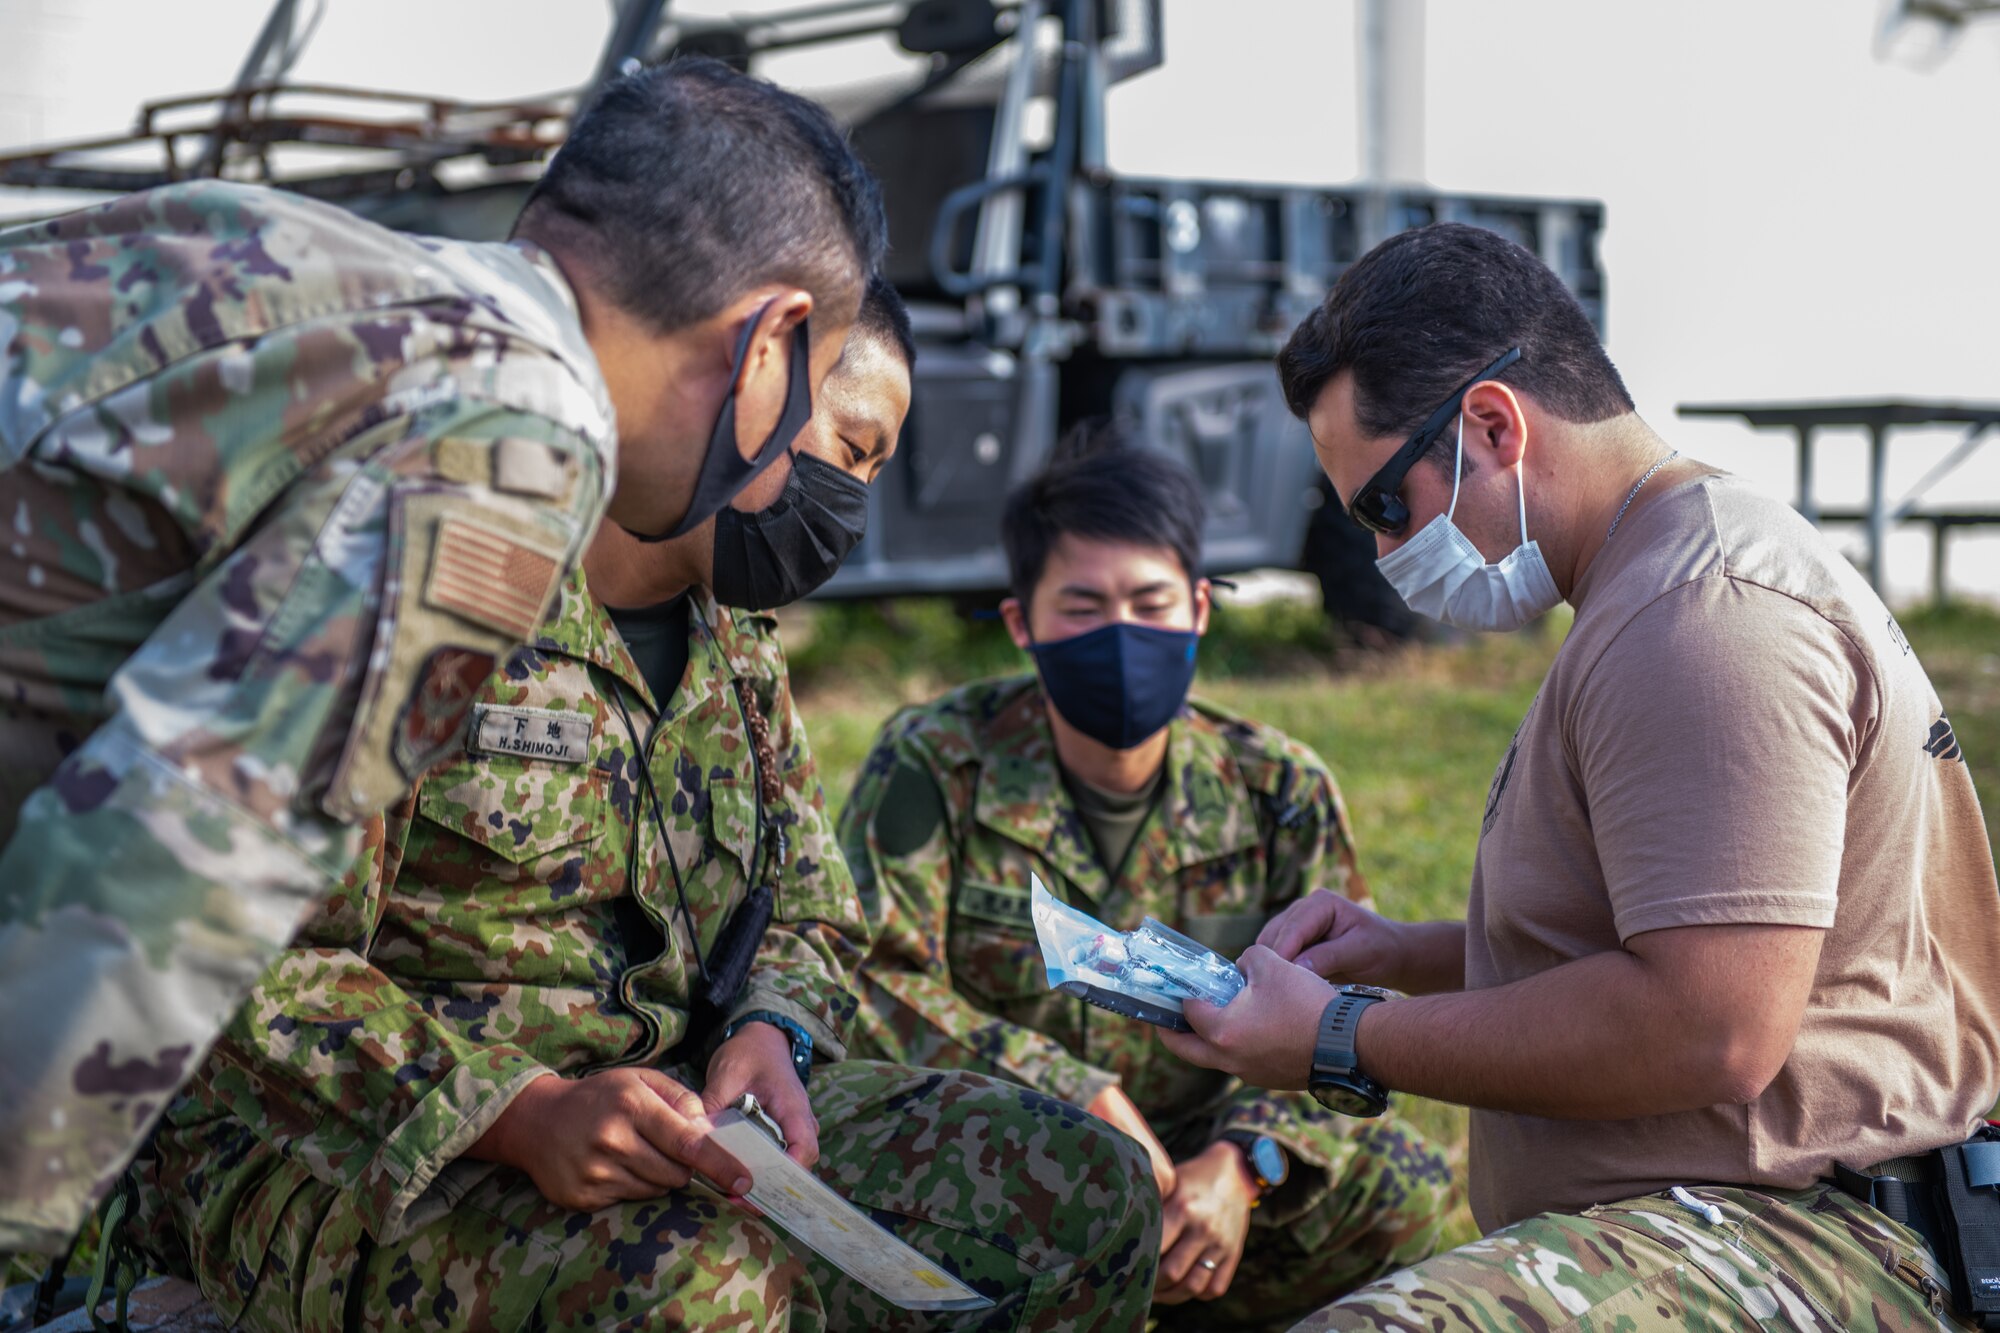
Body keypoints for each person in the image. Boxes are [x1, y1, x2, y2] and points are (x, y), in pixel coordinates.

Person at [126, 279, 1163, 1332]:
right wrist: (515, 1112)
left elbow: (806, 909)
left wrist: (770, 1030)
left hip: (684, 1112)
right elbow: (237, 955)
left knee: (1085, 1190)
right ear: (753, 392)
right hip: (354, 1154)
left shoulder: (735, 640)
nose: (850, 501)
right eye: (850, 450)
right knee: (706, 1283)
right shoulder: (420, 591)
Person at [0, 55, 886, 1260]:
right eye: (808, 416)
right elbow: (178, 863)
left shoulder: (286, 249)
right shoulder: (512, 442)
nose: (784, 477)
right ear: (771, 340)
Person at [1162, 221, 2000, 1330]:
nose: (1378, 555)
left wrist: (1337, 1033)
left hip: (1812, 1232)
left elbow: (1711, 1024)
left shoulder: (1699, 614)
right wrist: (1407, 956)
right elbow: (1682, 938)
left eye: (1382, 507)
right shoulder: (1663, 581)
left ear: (1491, 426)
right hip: (1739, 1216)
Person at [838, 443, 1452, 1332]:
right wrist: (1071, 1093)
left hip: (1209, 1182)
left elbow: (1341, 1003)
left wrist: (1245, 1164)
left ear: (1199, 608)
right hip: (1020, 1164)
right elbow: (875, 977)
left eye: (1150, 603)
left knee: (1402, 1187)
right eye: (1082, 607)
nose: (1120, 633)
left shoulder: (1278, 785)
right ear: (1022, 623)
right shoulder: (937, 763)